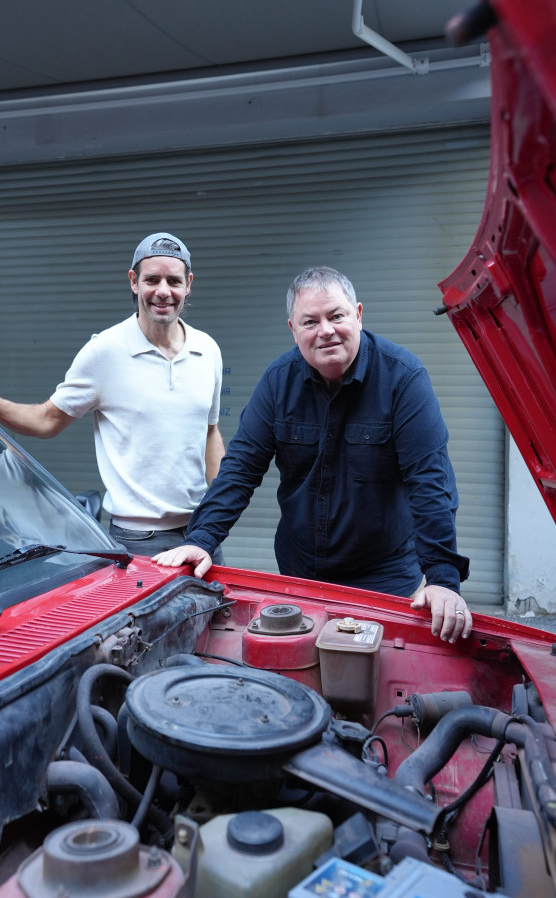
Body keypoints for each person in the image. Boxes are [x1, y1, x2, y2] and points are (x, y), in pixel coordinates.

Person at [154, 266, 472, 643]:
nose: (325, 330)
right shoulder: (278, 382)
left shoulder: (403, 380)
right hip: (298, 570)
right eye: (311, 321)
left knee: (370, 677)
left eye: (336, 316)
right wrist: (202, 538)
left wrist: (442, 579)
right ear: (293, 329)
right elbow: (240, 468)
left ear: (357, 314)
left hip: (383, 576)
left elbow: (430, 481)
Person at [0, 232, 225, 558]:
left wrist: (217, 518)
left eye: (173, 281)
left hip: (202, 535)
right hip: (141, 542)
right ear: (133, 281)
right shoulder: (105, 352)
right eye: (151, 280)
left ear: (188, 284)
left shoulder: (207, 349)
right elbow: (47, 420)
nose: (163, 291)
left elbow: (210, 432)